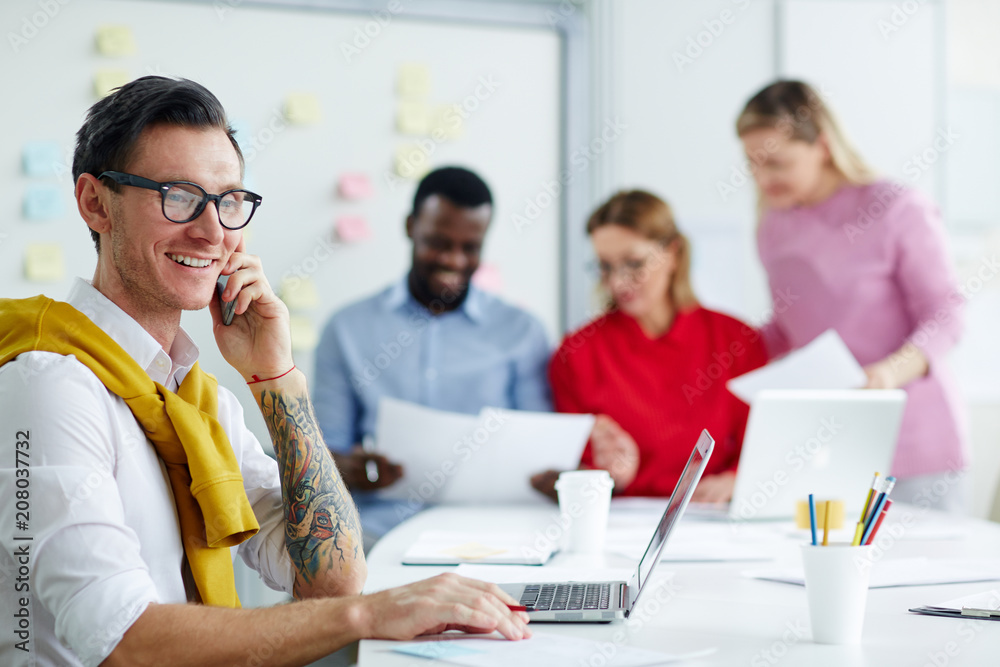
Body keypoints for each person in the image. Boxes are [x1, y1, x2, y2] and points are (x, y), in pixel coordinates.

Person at [0, 77, 529, 667]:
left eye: (227, 201)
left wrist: (278, 379)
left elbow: (331, 581)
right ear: (96, 203)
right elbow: (126, 643)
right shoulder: (48, 385)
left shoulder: (201, 404)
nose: (211, 231)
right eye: (178, 195)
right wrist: (371, 616)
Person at [736, 79, 968, 512]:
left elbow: (947, 314)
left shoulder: (898, 208)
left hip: (913, 439)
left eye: (777, 163)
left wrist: (886, 374)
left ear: (822, 145)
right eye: (752, 164)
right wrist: (719, 351)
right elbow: (789, 322)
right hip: (831, 445)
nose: (763, 178)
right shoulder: (773, 225)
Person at [312, 167, 553, 539]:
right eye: (438, 242)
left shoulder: (522, 332)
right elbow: (321, 459)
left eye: (470, 248)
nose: (454, 260)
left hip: (492, 536)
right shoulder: (346, 329)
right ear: (410, 226)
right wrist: (351, 468)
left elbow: (539, 453)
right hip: (378, 534)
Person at [542, 190, 767, 501]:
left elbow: (763, 442)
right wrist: (607, 475)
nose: (618, 282)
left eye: (633, 264)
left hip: (714, 519)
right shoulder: (576, 353)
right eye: (605, 267)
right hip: (622, 525)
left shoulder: (737, 340)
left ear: (672, 254)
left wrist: (736, 480)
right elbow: (568, 471)